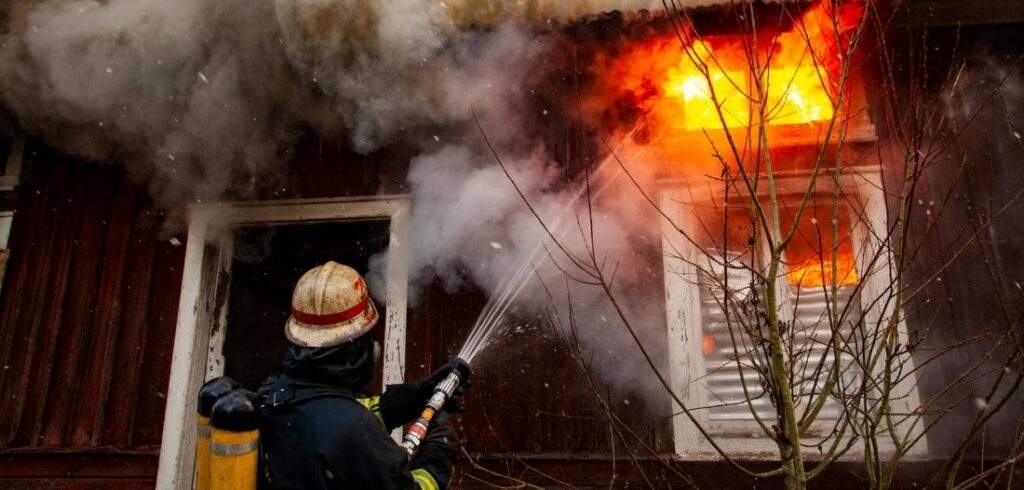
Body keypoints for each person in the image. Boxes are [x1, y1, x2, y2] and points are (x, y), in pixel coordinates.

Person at [256, 261, 469, 489]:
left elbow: (331, 416)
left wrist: (412, 398)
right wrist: (436, 460)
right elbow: (344, 427)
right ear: (359, 344)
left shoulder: (273, 396)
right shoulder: (354, 432)